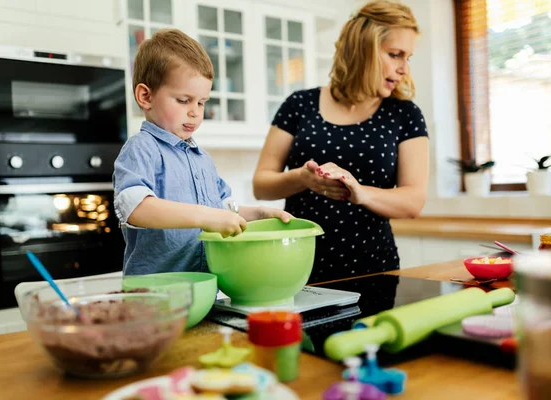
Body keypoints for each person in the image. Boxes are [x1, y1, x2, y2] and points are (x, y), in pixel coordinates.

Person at [252, 0, 429, 283]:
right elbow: (261, 184)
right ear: (364, 48)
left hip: (373, 267)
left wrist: (361, 193)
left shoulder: (405, 114)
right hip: (295, 266)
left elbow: (414, 201)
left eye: (408, 58)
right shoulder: (299, 104)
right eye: (395, 55)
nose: (404, 69)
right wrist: (302, 178)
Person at [114, 29, 292, 276]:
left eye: (201, 102)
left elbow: (222, 209)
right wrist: (206, 216)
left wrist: (258, 214)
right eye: (183, 100)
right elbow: (136, 209)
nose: (196, 112)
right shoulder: (142, 148)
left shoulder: (201, 158)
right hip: (155, 295)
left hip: (204, 287)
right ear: (146, 96)